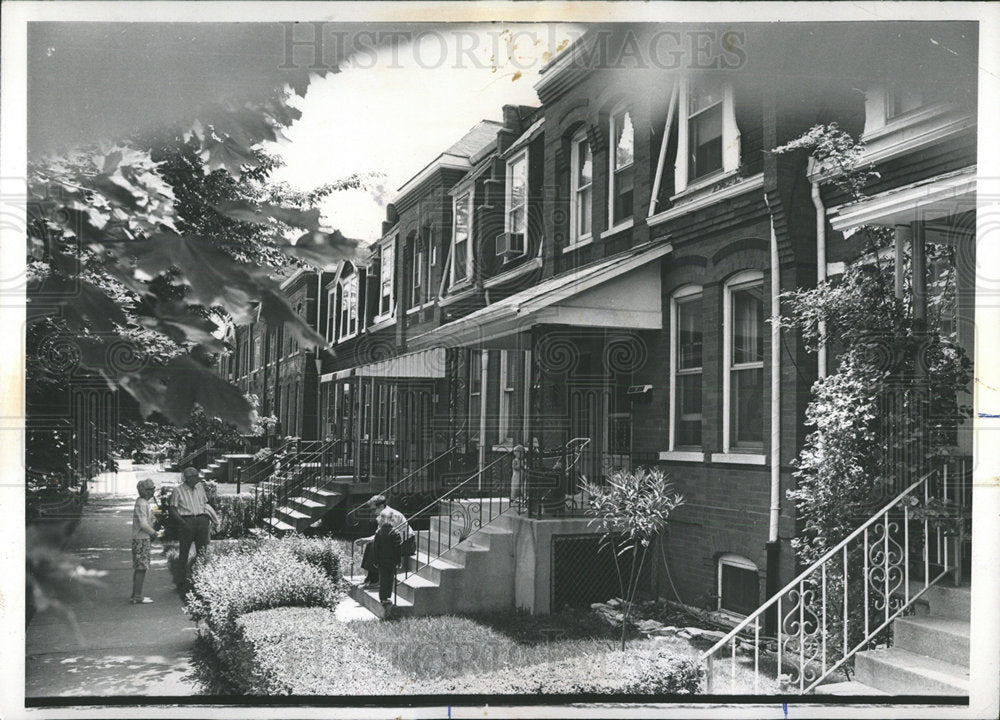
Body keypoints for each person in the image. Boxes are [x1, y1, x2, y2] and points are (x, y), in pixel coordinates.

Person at [168, 467, 219, 588]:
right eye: (195, 476)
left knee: (202, 551)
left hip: (202, 520)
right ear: (188, 478)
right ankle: (181, 581)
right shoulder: (178, 490)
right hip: (186, 521)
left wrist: (208, 519)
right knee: (184, 553)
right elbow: (172, 509)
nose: (198, 479)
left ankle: (202, 579)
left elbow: (205, 504)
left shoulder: (200, 488)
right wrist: (182, 523)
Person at [354, 494, 412, 588]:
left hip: (406, 543)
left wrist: (369, 540)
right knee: (371, 545)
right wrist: (367, 540)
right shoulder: (383, 514)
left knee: (377, 546)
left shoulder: (389, 514)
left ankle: (378, 580)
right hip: (396, 540)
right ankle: (370, 578)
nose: (372, 512)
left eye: (373, 509)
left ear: (381, 506)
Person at [370, 508, 403, 618]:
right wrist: (399, 561)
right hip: (391, 560)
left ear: (382, 520)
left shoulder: (378, 532)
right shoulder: (395, 533)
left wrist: (375, 560)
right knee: (389, 578)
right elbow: (397, 549)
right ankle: (387, 596)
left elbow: (375, 548)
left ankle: (383, 597)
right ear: (392, 520)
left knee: (383, 578)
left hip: (381, 561)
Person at [130, 478, 158, 604]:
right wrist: (154, 533)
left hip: (141, 538)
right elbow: (143, 524)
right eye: (151, 489)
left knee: (139, 567)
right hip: (142, 538)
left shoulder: (142, 502)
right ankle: (137, 596)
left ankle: (135, 593)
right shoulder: (142, 503)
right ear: (145, 491)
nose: (153, 492)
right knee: (141, 567)